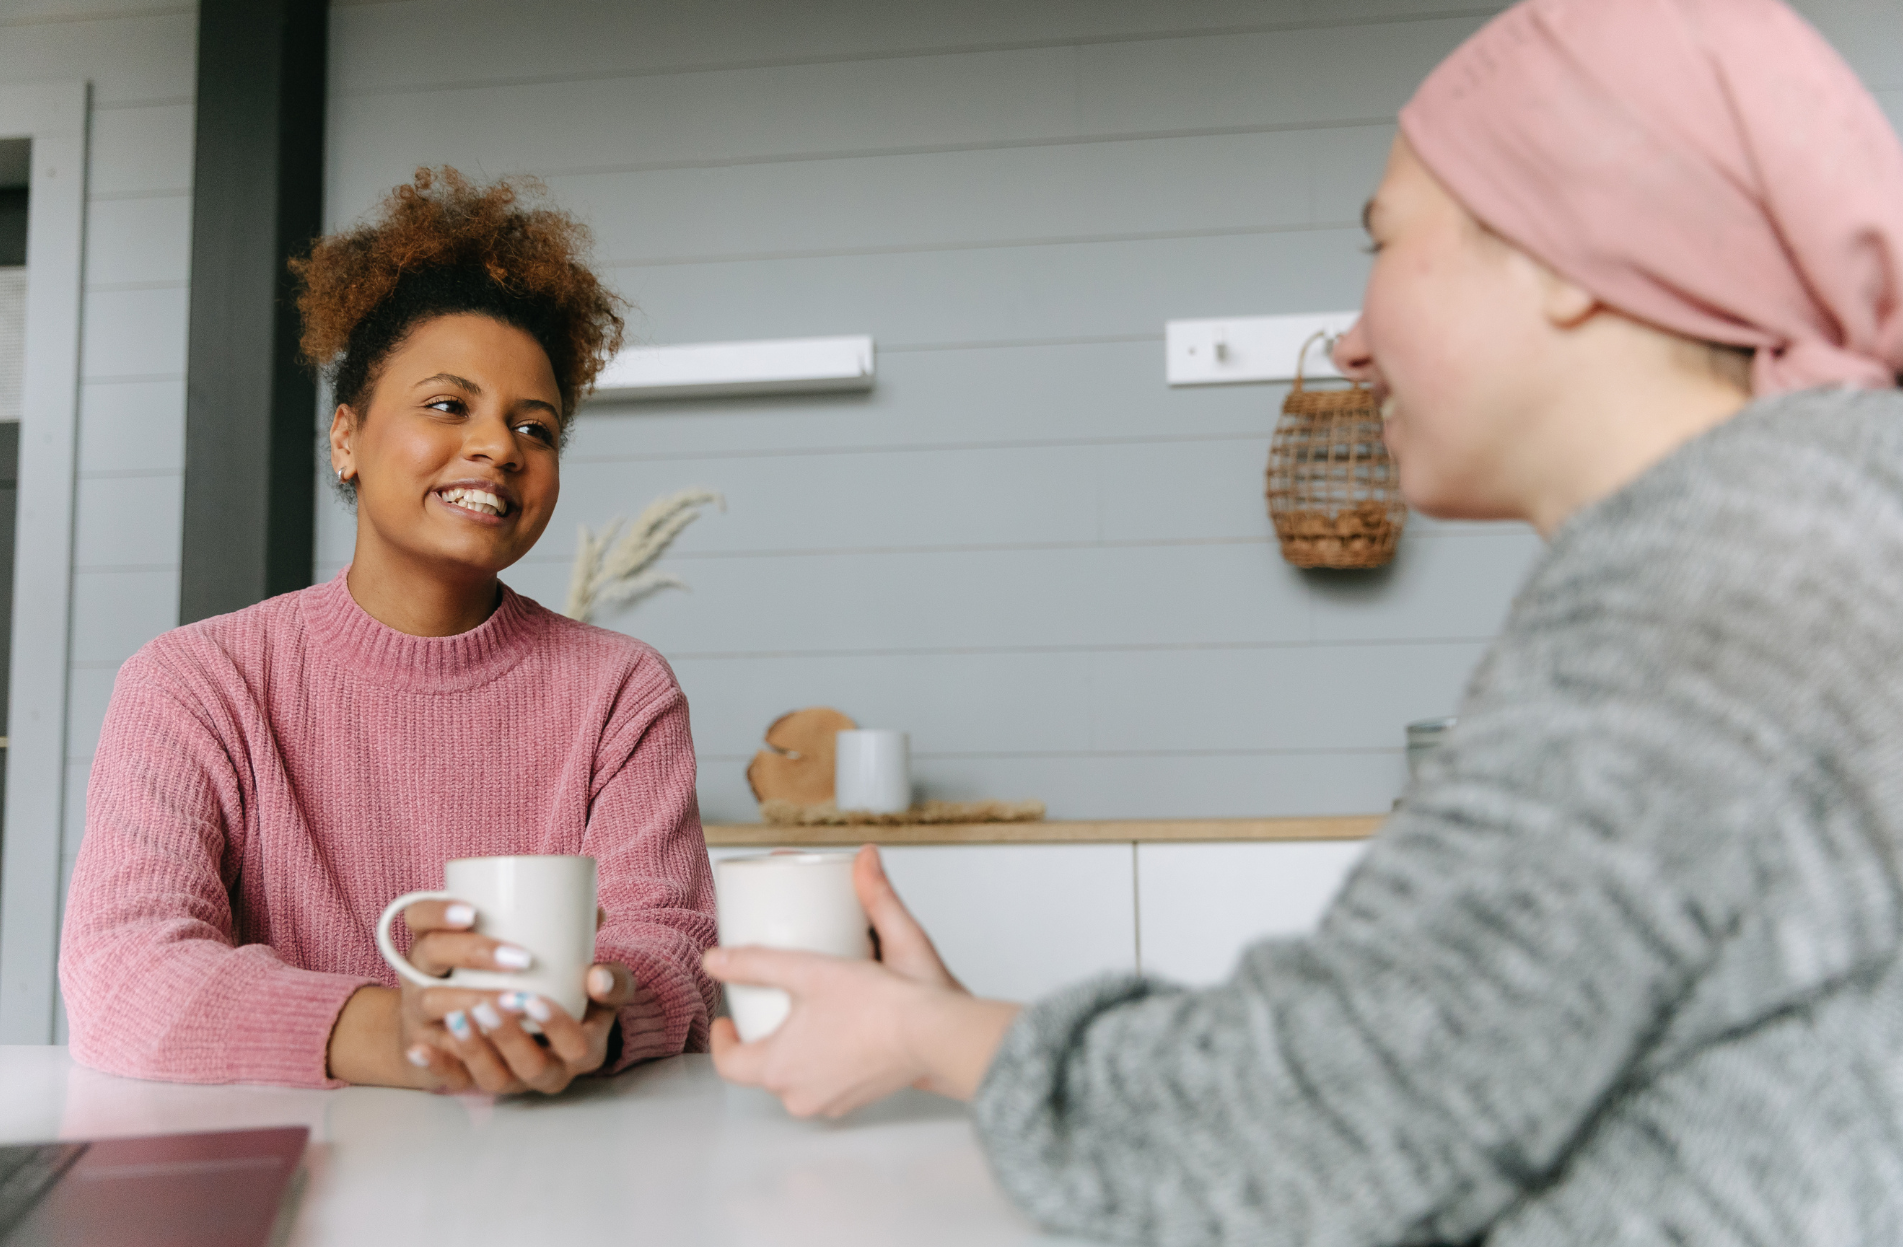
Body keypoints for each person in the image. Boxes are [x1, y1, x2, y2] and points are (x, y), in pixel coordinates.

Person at [703, 0, 1903, 1241]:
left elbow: (1323, 1125)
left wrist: (922, 1033)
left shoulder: (1710, 581)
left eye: (1383, 244)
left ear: (1563, 252)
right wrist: (945, 1034)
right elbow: (1453, 1076)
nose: (1349, 340)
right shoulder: (1806, 518)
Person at [60, 169, 719, 1095]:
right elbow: (124, 970)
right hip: (285, 1169)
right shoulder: (194, 682)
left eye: (537, 427)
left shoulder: (621, 689)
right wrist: (400, 1030)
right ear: (345, 438)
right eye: (449, 405)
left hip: (559, 1165)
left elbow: (673, 944)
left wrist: (597, 1014)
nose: (499, 445)